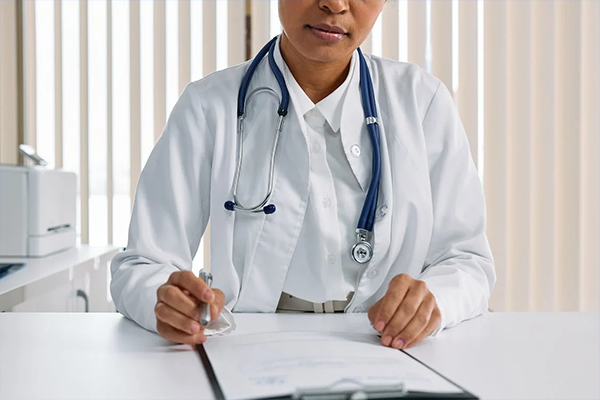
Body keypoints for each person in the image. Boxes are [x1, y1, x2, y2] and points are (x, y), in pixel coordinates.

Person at [110, 0, 495, 350]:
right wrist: (164, 300)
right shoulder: (209, 106)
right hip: (250, 346)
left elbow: (467, 261)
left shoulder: (422, 101)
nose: (335, 4)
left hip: (386, 346)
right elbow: (142, 264)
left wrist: (432, 301)